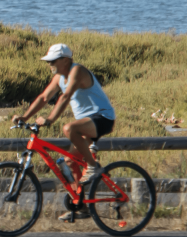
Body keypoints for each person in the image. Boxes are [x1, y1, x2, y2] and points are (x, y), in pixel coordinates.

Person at [11, 43, 117, 221]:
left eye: (53, 61)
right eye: (48, 61)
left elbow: (66, 96)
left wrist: (50, 119)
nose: (49, 64)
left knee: (69, 128)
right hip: (87, 123)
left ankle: (92, 166)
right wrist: (24, 116)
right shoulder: (59, 76)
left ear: (66, 60)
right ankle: (81, 206)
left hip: (102, 118)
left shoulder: (77, 71)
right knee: (69, 162)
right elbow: (44, 97)